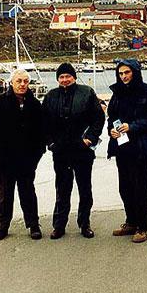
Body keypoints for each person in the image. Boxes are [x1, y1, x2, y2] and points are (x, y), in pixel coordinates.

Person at [0, 69, 46, 241]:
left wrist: (38, 153)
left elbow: (41, 132)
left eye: (25, 81)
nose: (22, 84)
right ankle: (2, 225)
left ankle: (33, 225)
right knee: (4, 195)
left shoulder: (35, 104)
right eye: (19, 81)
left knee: (28, 193)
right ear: (11, 82)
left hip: (27, 159)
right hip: (4, 158)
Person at [42, 63, 105, 240]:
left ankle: (84, 224)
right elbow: (43, 122)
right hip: (60, 151)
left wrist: (90, 139)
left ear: (74, 77)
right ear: (57, 79)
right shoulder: (51, 96)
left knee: (85, 188)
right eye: (61, 77)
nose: (65, 80)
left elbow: (98, 118)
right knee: (62, 189)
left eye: (68, 76)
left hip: (82, 150)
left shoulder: (87, 93)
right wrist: (50, 142)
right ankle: (59, 225)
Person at [107, 59, 147, 243]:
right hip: (122, 146)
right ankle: (131, 221)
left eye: (127, 72)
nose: (123, 76)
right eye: (120, 73)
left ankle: (142, 226)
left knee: (141, 187)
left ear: (135, 72)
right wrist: (112, 129)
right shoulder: (117, 93)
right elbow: (112, 116)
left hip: (141, 147)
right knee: (125, 187)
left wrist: (132, 126)